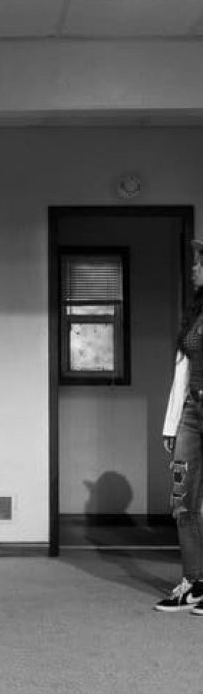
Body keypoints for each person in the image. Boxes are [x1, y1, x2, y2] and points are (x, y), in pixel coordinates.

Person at [155, 237, 203, 612]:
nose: (193, 269)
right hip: (191, 412)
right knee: (182, 500)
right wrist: (171, 425)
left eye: (199, 262)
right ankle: (195, 582)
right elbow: (182, 370)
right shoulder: (196, 313)